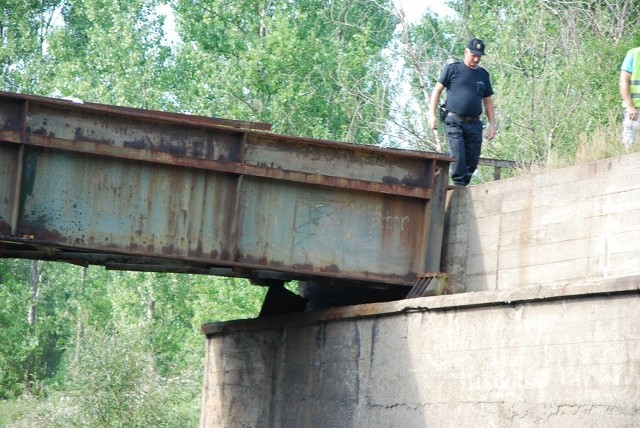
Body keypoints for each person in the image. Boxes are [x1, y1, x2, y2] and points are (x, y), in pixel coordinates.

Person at [429, 38, 496, 187]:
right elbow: (437, 91)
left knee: (472, 159)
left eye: (479, 56)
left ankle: (463, 185)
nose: (476, 59)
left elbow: (488, 101)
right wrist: (432, 115)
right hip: (454, 120)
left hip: (474, 123)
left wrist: (492, 124)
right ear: (466, 52)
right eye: (473, 55)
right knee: (458, 155)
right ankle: (459, 187)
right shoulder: (452, 69)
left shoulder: (483, 75)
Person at [619, 46, 640, 147]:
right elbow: (623, 81)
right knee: (629, 144)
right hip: (635, 110)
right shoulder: (634, 54)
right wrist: (630, 106)